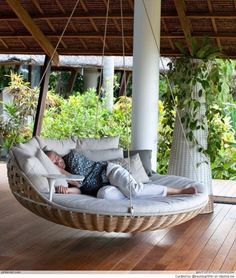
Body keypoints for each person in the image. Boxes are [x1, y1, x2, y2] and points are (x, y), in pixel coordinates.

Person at [46, 151, 197, 198]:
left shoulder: (72, 158)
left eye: (57, 159)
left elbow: (79, 182)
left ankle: (178, 191)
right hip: (103, 188)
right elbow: (79, 190)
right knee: (103, 196)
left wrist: (58, 170)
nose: (59, 163)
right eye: (54, 163)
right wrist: (66, 191)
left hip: (110, 173)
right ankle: (130, 191)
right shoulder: (65, 177)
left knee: (135, 191)